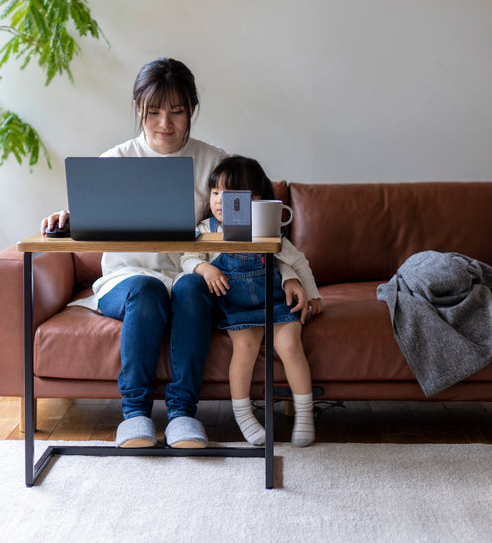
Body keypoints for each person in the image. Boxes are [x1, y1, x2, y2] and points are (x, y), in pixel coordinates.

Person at [41, 58, 228, 448]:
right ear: (137, 109)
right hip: (126, 282)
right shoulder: (116, 160)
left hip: (187, 280)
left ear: (191, 109)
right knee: (147, 290)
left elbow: (239, 218)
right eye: (154, 112)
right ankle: (136, 414)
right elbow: (89, 215)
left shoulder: (215, 163)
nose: (165, 123)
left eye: (177, 111)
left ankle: (182, 414)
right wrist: (67, 217)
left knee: (192, 289)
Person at [180, 156, 323, 447]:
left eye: (230, 194)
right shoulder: (208, 228)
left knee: (290, 346)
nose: (220, 200)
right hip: (237, 307)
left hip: (274, 303)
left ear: (256, 199)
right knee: (243, 349)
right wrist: (204, 268)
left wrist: (313, 292)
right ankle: (244, 416)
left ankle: (305, 415)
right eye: (216, 193)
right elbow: (188, 257)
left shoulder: (265, 226)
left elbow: (296, 261)